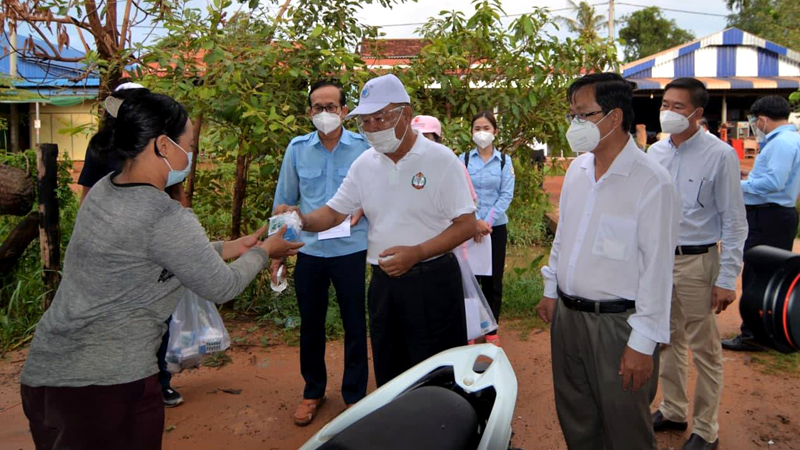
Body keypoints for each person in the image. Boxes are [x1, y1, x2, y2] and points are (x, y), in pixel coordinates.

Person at [20, 90, 303, 450]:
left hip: (46, 376)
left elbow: (150, 256)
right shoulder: (164, 214)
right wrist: (266, 251)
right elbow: (223, 286)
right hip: (107, 388)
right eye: (189, 143)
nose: (191, 153)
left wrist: (233, 247)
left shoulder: (105, 192)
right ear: (164, 146)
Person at [275, 74, 477, 387]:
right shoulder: (365, 164)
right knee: (390, 367)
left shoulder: (441, 160)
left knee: (437, 372)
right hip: (384, 284)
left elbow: (466, 225)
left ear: (406, 115)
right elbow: (333, 212)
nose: (371, 129)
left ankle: (441, 431)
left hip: (433, 282)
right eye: (365, 121)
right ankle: (396, 430)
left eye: (379, 118)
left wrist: (417, 253)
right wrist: (301, 219)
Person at [536, 72, 679, 450]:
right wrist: (552, 288)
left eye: (582, 115)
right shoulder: (577, 171)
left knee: (625, 429)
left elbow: (657, 270)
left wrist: (643, 343)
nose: (574, 125)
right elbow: (565, 235)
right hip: (569, 319)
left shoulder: (652, 181)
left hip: (618, 327)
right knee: (578, 420)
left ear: (614, 118)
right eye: (572, 115)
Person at [648, 77, 748, 450]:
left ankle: (706, 429)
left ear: (697, 113)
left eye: (678, 107)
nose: (668, 112)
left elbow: (735, 222)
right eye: (665, 105)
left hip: (698, 263)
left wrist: (727, 278)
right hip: (660, 263)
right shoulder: (655, 152)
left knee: (704, 349)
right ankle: (673, 409)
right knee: (667, 340)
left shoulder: (720, 155)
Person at [77, 82, 187, 408]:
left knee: (157, 319)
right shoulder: (102, 149)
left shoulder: (162, 149)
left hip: (157, 249)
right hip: (116, 253)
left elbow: (177, 197)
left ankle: (158, 382)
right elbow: (87, 200)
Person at [271, 79, 371, 426]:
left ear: (344, 111)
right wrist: (277, 253)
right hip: (310, 252)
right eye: (318, 108)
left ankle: (354, 396)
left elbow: (378, 195)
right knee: (310, 325)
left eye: (332, 107)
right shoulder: (297, 149)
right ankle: (313, 391)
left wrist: (365, 209)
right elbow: (283, 203)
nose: (325, 113)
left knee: (355, 324)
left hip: (352, 249)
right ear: (309, 112)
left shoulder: (364, 148)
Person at [723, 95, 800, 352]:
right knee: (772, 273)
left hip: (768, 215)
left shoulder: (780, 144)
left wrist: (737, 185)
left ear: (763, 119)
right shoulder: (791, 139)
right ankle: (767, 330)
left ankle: (753, 334)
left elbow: (772, 183)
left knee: (757, 273)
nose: (756, 125)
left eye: (756, 121)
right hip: (779, 215)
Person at [460, 111, 515, 345]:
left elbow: (506, 195)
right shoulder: (462, 160)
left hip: (495, 229)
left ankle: (491, 329)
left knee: (493, 281)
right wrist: (474, 223)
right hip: (467, 229)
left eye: (486, 128)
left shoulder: (504, 161)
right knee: (469, 279)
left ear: (495, 131)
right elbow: (459, 193)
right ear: (471, 132)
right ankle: (472, 329)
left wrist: (486, 223)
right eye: (477, 128)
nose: (482, 133)